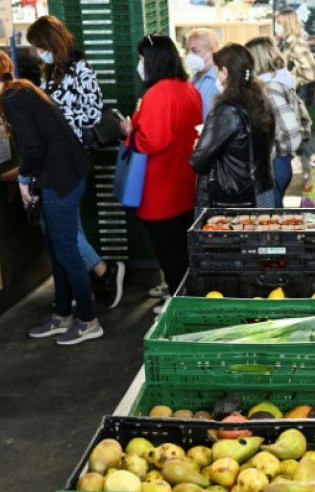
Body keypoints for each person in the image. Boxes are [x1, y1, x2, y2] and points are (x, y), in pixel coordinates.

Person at [0, 47, 101, 346]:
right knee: (57, 250)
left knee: (66, 251)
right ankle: (61, 314)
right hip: (63, 176)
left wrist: (22, 181)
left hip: (60, 181)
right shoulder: (22, 90)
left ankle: (88, 320)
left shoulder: (12, 98)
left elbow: (32, 147)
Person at [26, 15, 124, 313]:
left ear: (52, 43)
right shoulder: (48, 73)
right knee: (66, 231)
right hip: (53, 160)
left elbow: (92, 116)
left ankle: (100, 277)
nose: (36, 52)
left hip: (70, 160)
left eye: (39, 46)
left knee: (63, 233)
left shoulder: (82, 71)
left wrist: (55, 120)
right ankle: (99, 274)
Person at [121, 34, 203, 313]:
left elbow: (152, 140)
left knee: (169, 251)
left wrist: (129, 133)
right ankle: (184, 294)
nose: (140, 64)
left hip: (160, 186)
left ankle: (180, 303)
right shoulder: (188, 88)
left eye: (142, 58)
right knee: (182, 246)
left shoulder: (157, 93)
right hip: (185, 181)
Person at [190, 43, 276, 209]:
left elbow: (198, 162)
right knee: (262, 232)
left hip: (233, 199)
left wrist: (199, 146)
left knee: (236, 235)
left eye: (216, 70)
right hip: (263, 191)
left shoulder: (226, 109)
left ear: (224, 72)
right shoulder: (264, 101)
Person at [246, 36, 311, 208]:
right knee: (272, 220)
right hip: (280, 164)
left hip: (272, 166)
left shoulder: (270, 88)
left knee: (267, 224)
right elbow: (305, 122)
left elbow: (291, 135)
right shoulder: (282, 83)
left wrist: (277, 150)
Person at [275, 8, 315, 104]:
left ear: (286, 24)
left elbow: (310, 71)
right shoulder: (287, 40)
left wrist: (295, 81)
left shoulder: (295, 42)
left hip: (297, 90)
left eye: (279, 23)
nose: (277, 25)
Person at [185, 28, 223, 121]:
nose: (190, 56)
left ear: (213, 50)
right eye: (188, 51)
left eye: (195, 51)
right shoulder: (194, 78)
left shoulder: (219, 81)